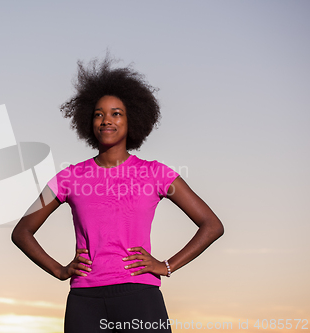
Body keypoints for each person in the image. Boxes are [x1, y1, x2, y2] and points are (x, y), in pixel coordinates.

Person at [11, 53, 224, 332]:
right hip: (85, 301)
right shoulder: (69, 177)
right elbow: (22, 232)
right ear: (89, 121)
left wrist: (167, 266)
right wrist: (59, 270)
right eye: (99, 114)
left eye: (116, 113)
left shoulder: (156, 173)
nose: (106, 120)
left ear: (131, 119)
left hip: (140, 296)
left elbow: (212, 225)